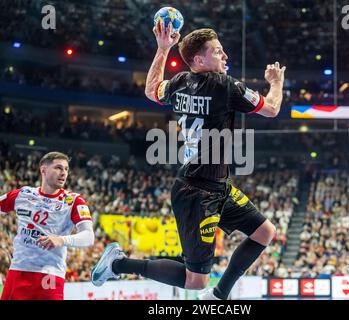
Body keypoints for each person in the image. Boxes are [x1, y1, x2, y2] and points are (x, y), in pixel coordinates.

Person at [91, 19, 285, 300]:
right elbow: (271, 108)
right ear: (199, 59)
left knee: (264, 232)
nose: (225, 56)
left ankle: (219, 296)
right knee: (195, 281)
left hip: (216, 185)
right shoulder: (225, 85)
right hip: (198, 192)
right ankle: (117, 263)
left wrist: (162, 49)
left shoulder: (181, 82)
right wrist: (276, 83)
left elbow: (151, 89)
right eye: (218, 51)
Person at [0, 151, 94, 300]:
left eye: (66, 169)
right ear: (43, 170)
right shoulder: (23, 194)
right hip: (18, 272)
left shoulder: (73, 200)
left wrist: (62, 240)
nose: (63, 173)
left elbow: (89, 237)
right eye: (58, 168)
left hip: (49, 276)